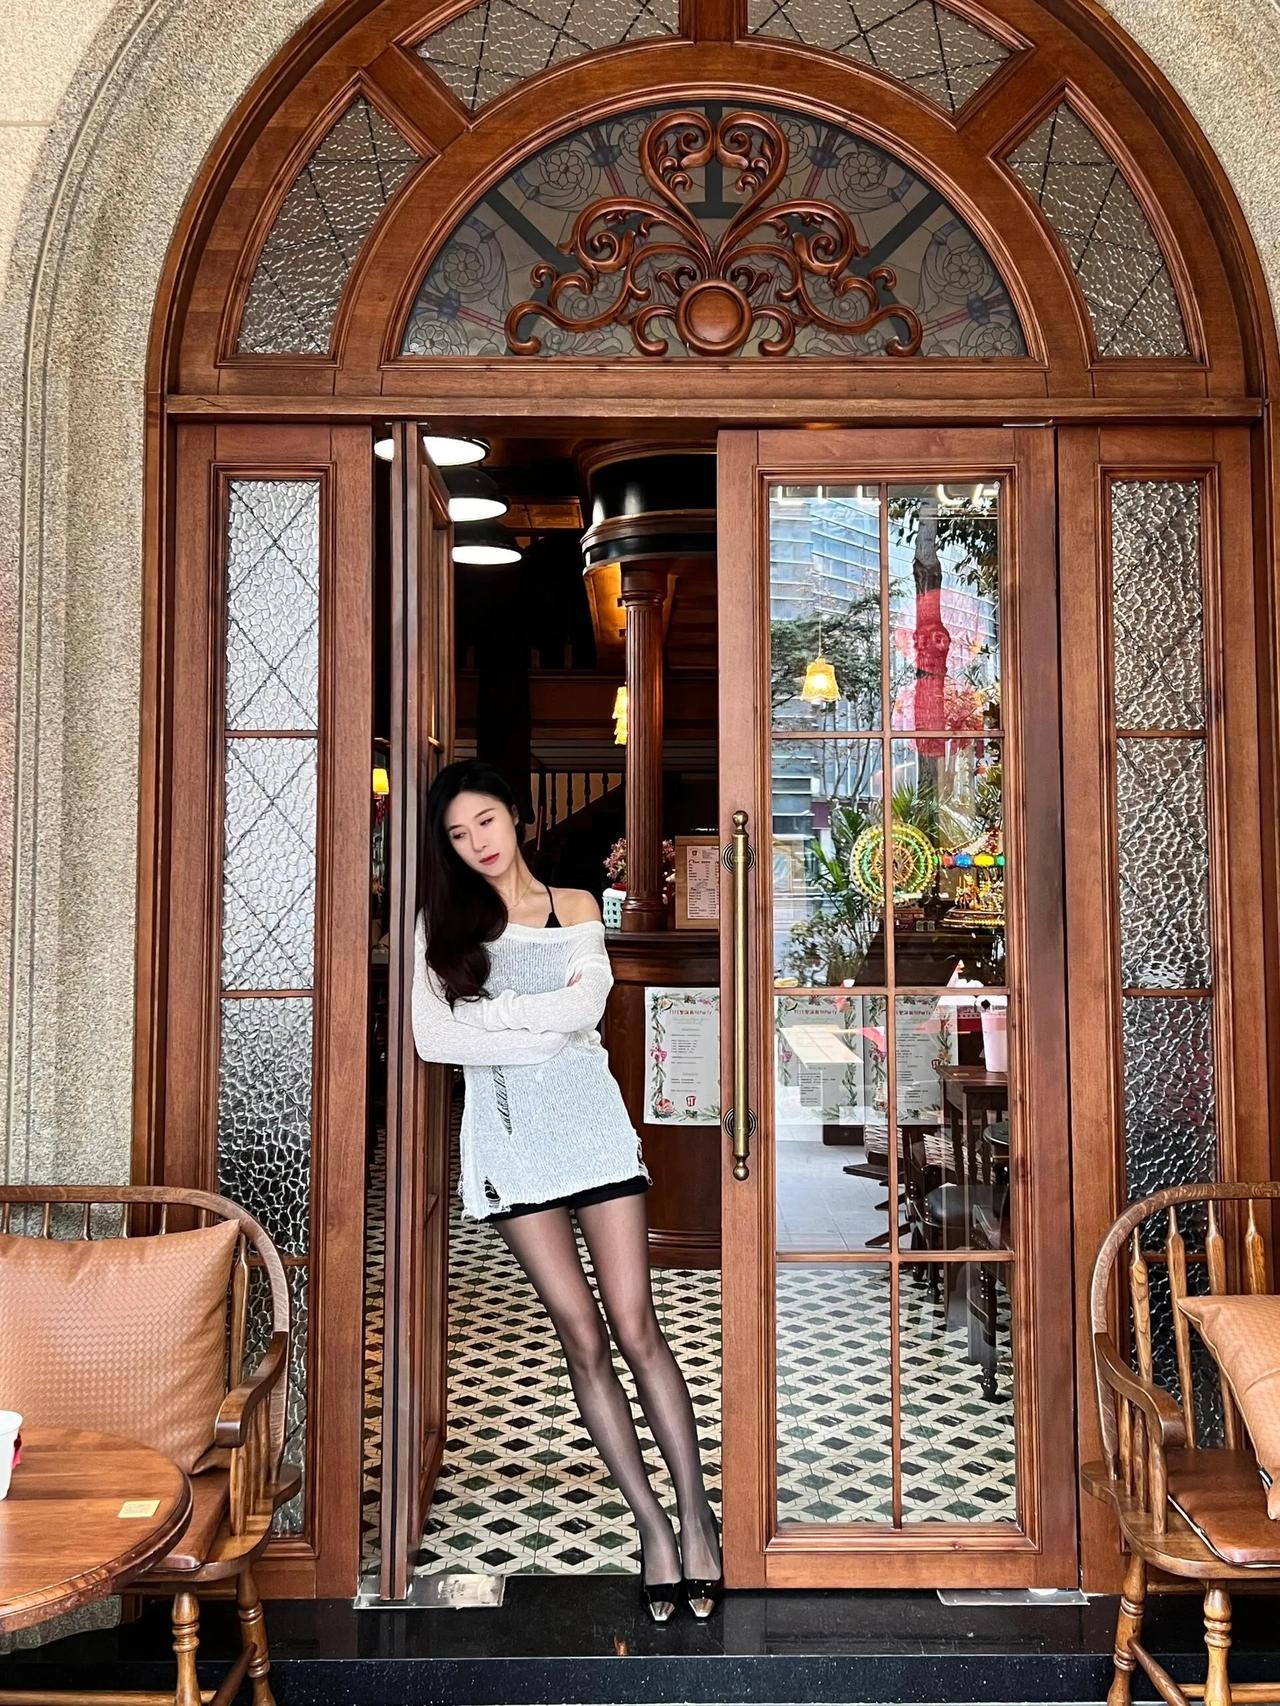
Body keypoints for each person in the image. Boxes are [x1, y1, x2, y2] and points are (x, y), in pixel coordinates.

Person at [411, 757, 722, 1622]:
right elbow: (434, 1038)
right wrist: (534, 1030)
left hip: (593, 1135)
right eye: (458, 834)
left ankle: (698, 1518)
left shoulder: (575, 905)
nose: (476, 843)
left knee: (637, 1326)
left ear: (516, 817)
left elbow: (586, 1011)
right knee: (581, 1338)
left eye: (486, 822)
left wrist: (491, 1020)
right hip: (513, 1149)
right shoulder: (444, 924)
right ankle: (653, 1528)